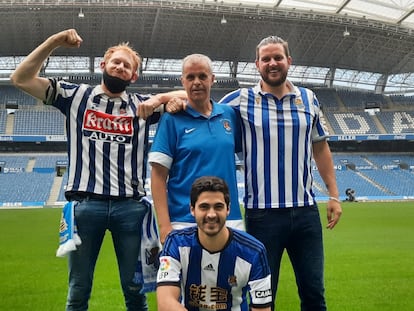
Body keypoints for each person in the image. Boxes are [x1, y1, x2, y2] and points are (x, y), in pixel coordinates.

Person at [10, 29, 186, 311]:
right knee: (78, 290)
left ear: (133, 76)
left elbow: (191, 93)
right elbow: (19, 78)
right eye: (116, 61)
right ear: (103, 66)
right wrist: (54, 42)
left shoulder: (142, 106)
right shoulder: (74, 95)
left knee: (135, 289)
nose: (120, 66)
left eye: (127, 65)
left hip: (130, 209)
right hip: (84, 206)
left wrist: (159, 99)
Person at [218, 36, 343, 310]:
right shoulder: (241, 99)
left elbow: (320, 148)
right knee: (263, 297)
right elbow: (202, 102)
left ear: (289, 61)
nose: (272, 63)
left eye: (278, 57)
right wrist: (170, 98)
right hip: (263, 216)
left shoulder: (308, 98)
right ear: (257, 64)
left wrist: (334, 195)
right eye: (266, 59)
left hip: (305, 214)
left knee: (314, 294)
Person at [148, 53, 244, 244]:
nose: (197, 82)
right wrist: (165, 226)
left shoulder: (229, 115)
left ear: (212, 79)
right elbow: (158, 176)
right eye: (190, 77)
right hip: (184, 222)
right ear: (182, 81)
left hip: (230, 219)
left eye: (202, 76)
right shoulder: (171, 119)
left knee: (230, 275)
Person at [156, 176, 272, 311]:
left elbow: (262, 309)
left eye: (218, 207)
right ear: (192, 209)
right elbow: (165, 303)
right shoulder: (176, 243)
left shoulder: (253, 252)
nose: (211, 214)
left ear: (228, 209)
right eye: (204, 207)